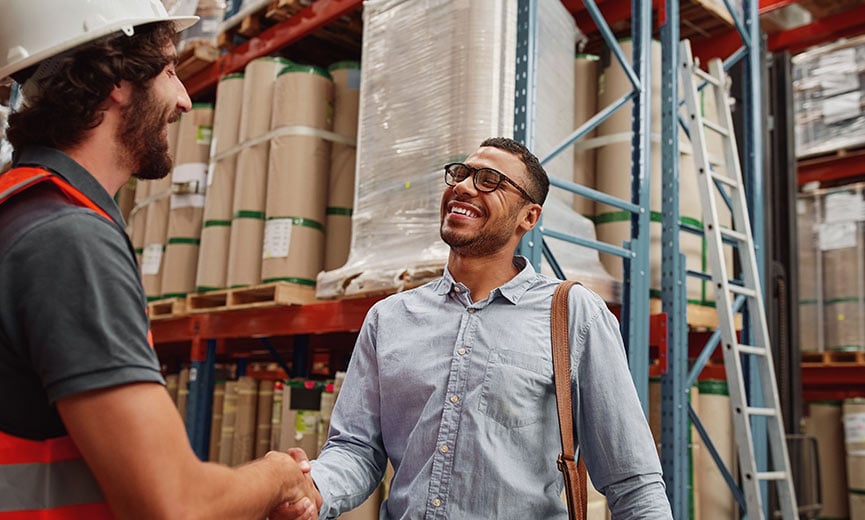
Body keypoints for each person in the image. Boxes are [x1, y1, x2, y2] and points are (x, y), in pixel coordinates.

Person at [0, 1, 320, 518]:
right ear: (117, 79)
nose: (185, 99)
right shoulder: (68, 241)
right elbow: (173, 504)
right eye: (170, 70)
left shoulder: (19, 208)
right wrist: (280, 475)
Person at [306, 137, 673, 518]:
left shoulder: (573, 316)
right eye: (461, 174)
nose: (463, 186)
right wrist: (314, 490)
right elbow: (355, 449)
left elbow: (632, 481)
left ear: (528, 217)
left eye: (489, 180)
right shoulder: (389, 318)